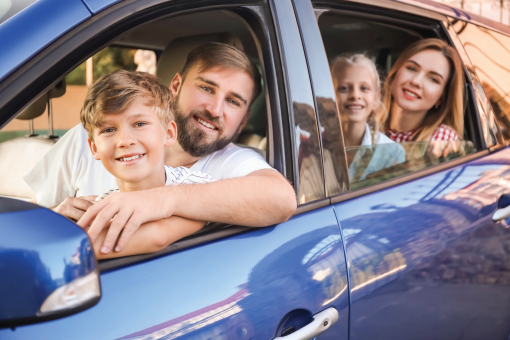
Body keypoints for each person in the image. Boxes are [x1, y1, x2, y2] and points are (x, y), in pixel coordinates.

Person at [24, 43, 297, 255]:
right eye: (206, 88)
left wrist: (160, 200)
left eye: (234, 102)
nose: (215, 110)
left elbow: (281, 199)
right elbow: (37, 221)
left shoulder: (231, 164)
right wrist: (55, 220)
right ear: (176, 86)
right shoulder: (88, 137)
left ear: (244, 120)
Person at [80, 70, 214, 258]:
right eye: (109, 129)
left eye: (140, 124)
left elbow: (157, 236)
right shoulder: (102, 206)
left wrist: (70, 251)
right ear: (94, 147)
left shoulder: (196, 187)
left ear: (168, 133)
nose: (125, 140)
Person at [331, 54, 405, 182]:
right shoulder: (313, 146)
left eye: (364, 88)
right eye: (344, 88)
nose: (355, 95)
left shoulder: (391, 152)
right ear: (330, 94)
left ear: (376, 98)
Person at [380, 38, 465, 144]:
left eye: (433, 79)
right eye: (411, 68)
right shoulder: (367, 121)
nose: (416, 81)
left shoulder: (441, 138)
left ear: (442, 98)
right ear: (394, 75)